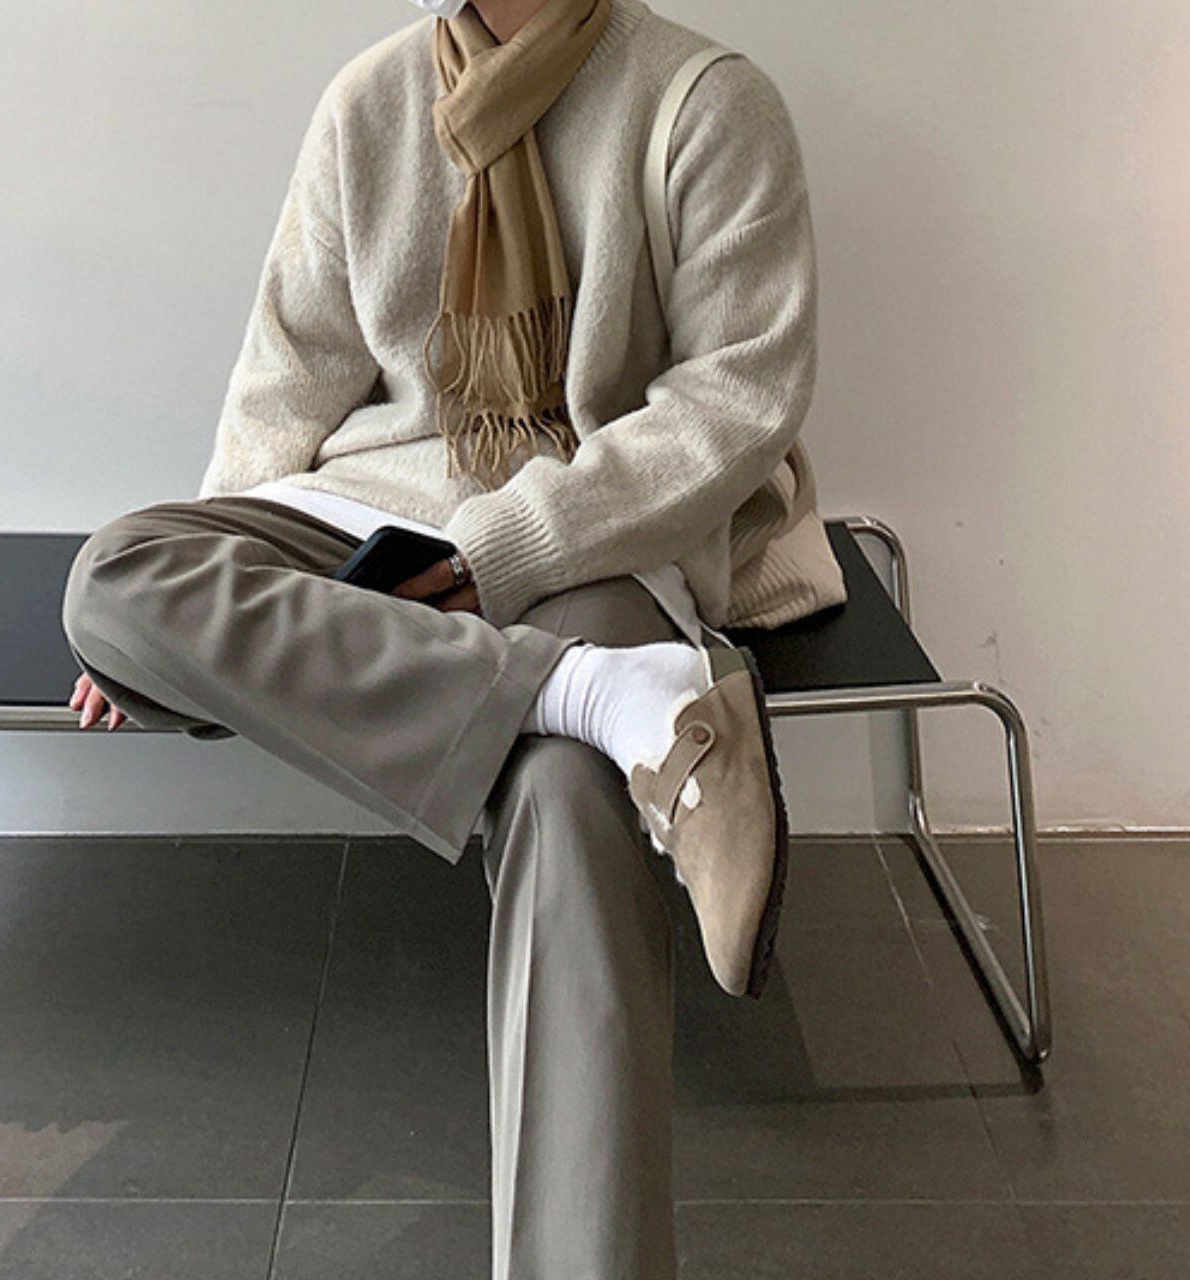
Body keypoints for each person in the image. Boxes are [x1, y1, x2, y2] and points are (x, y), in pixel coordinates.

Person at [61, 1, 847, 1275]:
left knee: (568, 799)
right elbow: (287, 376)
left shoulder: (702, 101)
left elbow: (732, 402)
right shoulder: (368, 102)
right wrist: (179, 636)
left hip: (591, 527)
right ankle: (606, 696)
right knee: (113, 579)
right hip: (369, 510)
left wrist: (499, 551)